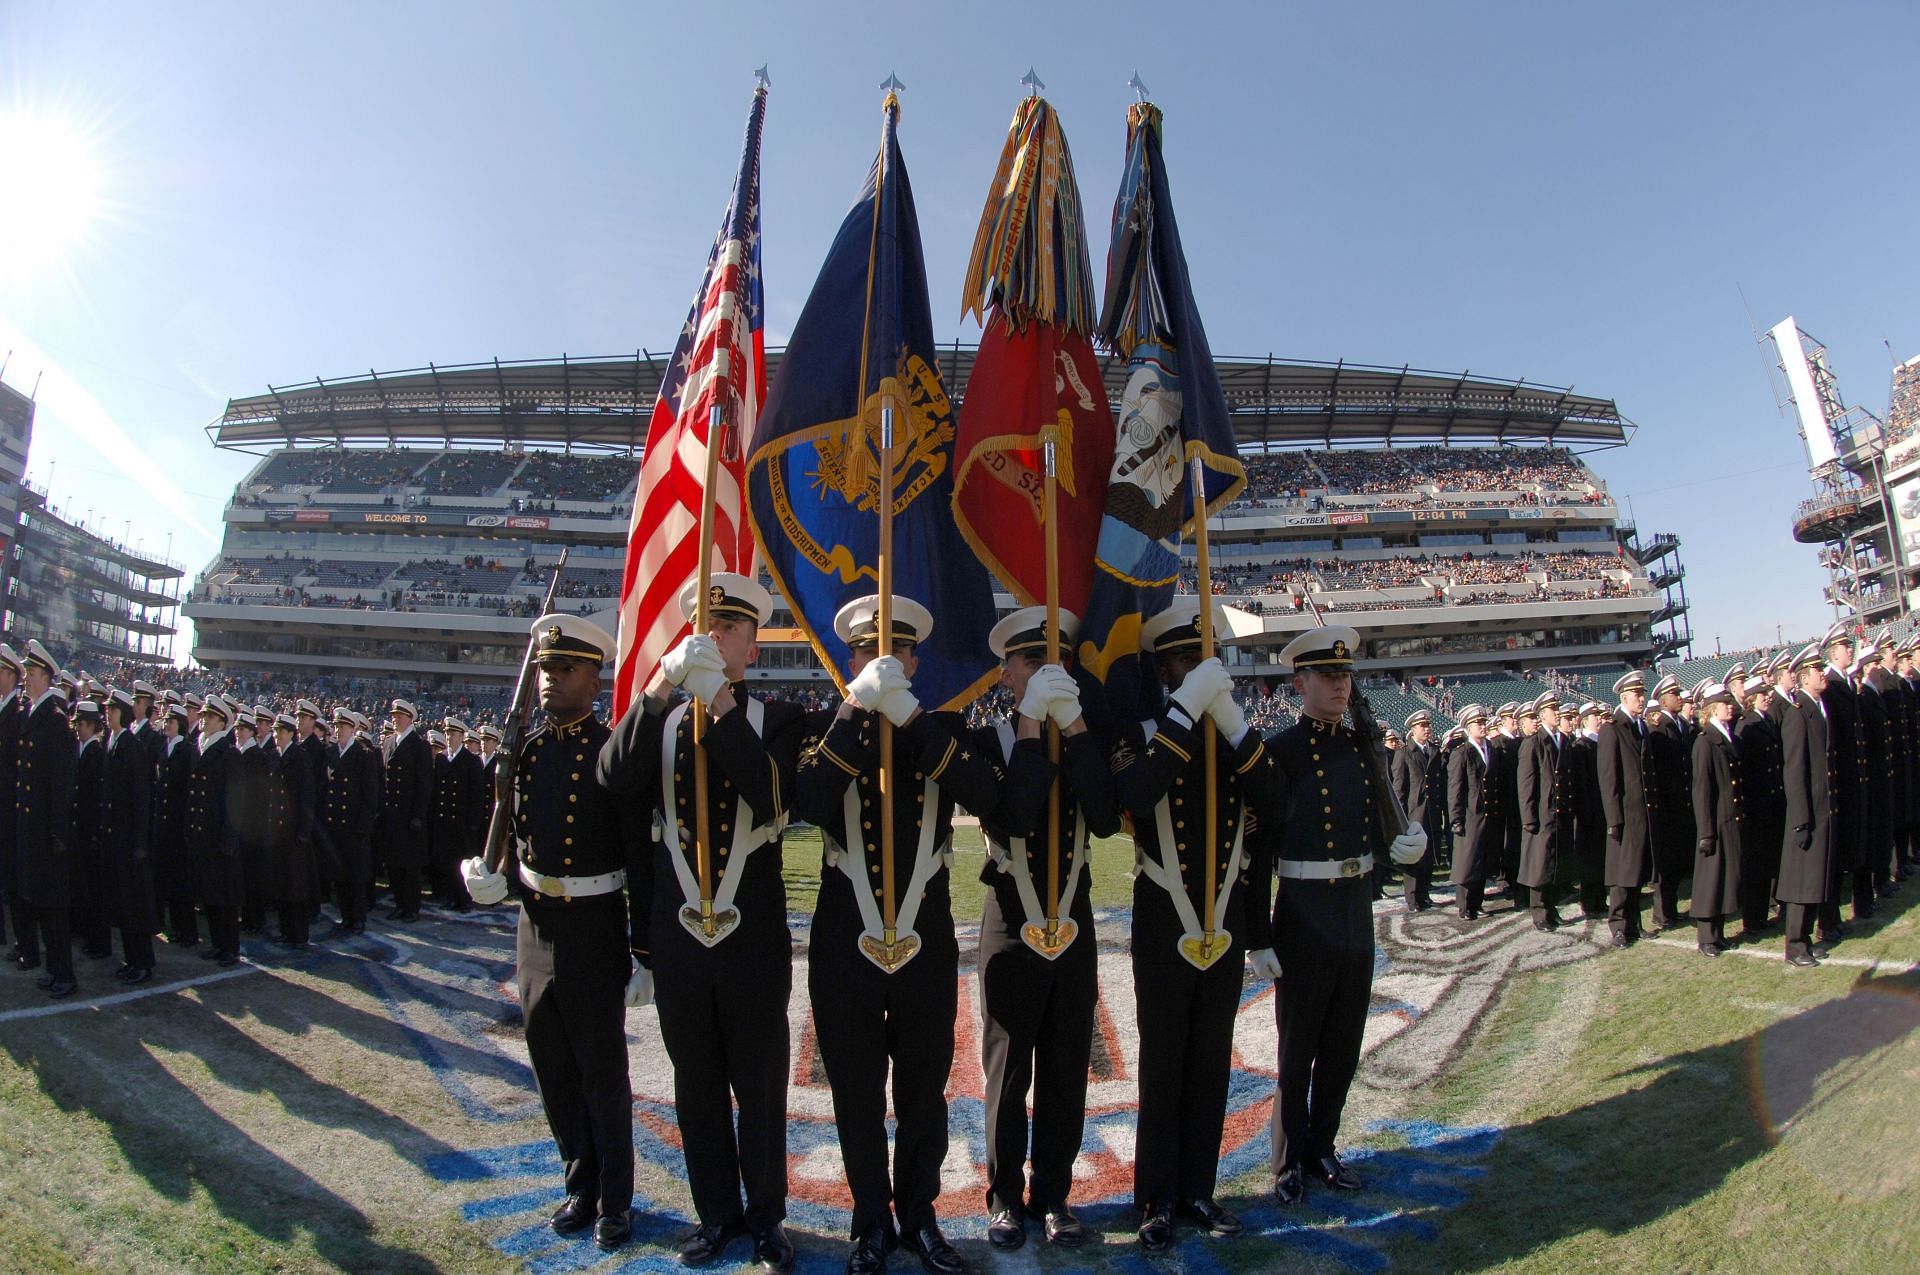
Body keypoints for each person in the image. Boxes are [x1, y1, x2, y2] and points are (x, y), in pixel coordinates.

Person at [789, 593, 1005, 1275]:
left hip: (925, 935)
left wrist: (910, 720)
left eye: (899, 649)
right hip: (844, 935)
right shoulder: (824, 725)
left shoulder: (942, 727)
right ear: (847, 658)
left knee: (922, 1087)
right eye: (867, 649)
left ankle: (919, 1215)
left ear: (915, 659)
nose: (885, 658)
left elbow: (990, 797)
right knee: (854, 1088)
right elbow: (810, 801)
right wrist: (857, 709)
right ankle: (868, 1222)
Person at [596, 573, 804, 1273]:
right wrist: (659, 692)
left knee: (761, 1078)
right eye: (705, 627)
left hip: (752, 935)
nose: (715, 638)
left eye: (730, 629)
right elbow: (612, 778)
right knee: (697, 1084)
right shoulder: (660, 717)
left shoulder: (776, 718)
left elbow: (775, 798)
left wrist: (718, 700)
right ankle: (716, 1213)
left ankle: (768, 1215)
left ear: (751, 645)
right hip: (679, 932)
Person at [461, 614, 648, 1252]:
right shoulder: (530, 750)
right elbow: (516, 836)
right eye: (544, 669)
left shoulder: (610, 751)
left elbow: (638, 858)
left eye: (564, 668)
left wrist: (642, 948)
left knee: (601, 1069)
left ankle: (617, 1201)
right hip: (535, 927)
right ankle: (581, 1184)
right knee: (552, 1066)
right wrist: (496, 876)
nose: (549, 680)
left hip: (594, 927)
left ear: (594, 677)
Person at [1113, 600, 1279, 1252]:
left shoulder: (1233, 733)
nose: (1198, 670)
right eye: (1186, 662)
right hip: (1164, 917)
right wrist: (1185, 713)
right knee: (1164, 1062)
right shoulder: (1145, 727)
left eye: (1203, 660)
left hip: (1224, 917)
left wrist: (1234, 727)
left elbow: (1277, 801)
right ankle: (1155, 1197)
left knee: (1212, 1061)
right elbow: (1136, 794)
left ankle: (1197, 1189)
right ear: (1166, 670)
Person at [973, 606, 1118, 1252]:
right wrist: (1033, 725)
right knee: (1009, 1068)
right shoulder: (992, 743)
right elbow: (1015, 816)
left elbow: (1107, 817)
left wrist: (1077, 726)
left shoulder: (1089, 733)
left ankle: (1053, 1193)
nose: (1044, 674)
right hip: (1012, 920)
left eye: (1054, 663)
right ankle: (1005, 1194)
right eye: (1032, 664)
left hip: (1073, 915)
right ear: (1007, 675)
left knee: (1066, 1063)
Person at [1267, 625, 1426, 1207]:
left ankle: (1323, 1146)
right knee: (1298, 1042)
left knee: (1342, 1039)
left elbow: (1376, 825)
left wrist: (1399, 847)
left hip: (1354, 908)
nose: (1340, 684)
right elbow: (1262, 849)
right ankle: (1287, 1159)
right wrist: (1259, 934)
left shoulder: (1363, 746)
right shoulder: (1281, 752)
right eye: (1328, 676)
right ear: (1299, 682)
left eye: (1345, 675)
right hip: (1304, 912)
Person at [15, 642, 77, 996]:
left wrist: (56, 832)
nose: (26, 680)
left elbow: (60, 783)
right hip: (32, 827)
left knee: (53, 907)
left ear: (47, 678)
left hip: (46, 832)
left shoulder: (54, 722)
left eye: (32, 674)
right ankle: (54, 969)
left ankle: (65, 973)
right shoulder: (34, 715)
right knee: (39, 902)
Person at [1778, 646, 1835, 967]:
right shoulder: (1798, 715)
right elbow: (1794, 769)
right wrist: (1800, 820)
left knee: (1815, 879)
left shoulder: (1818, 707)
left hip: (1822, 807)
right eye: (1817, 671)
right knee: (1802, 881)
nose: (1823, 674)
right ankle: (1795, 945)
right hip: (1808, 812)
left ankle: (1806, 941)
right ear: (1803, 678)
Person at [1596, 671, 1653, 948]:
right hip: (1624, 814)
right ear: (1624, 697)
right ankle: (1618, 925)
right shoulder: (1612, 728)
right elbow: (1609, 779)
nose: (1642, 699)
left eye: (1643, 694)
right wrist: (1614, 819)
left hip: (1640, 812)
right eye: (1637, 695)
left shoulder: (1639, 727)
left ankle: (1635, 923)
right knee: (1621, 875)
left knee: (1636, 872)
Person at [102, 689, 156, 983]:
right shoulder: (114, 742)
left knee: (134, 906)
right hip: (117, 839)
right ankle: (130, 959)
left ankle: (143, 963)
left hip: (130, 842)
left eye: (111, 709)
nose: (107, 714)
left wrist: (139, 843)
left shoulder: (131, 747)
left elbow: (140, 798)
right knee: (123, 904)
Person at [187, 695, 244, 968]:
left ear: (222, 722)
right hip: (203, 834)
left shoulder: (228, 753)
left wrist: (229, 838)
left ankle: (229, 948)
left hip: (219, 836)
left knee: (224, 898)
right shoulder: (202, 747)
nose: (204, 720)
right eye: (204, 716)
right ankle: (217, 944)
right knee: (210, 895)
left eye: (210, 717)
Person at [1689, 683, 1745, 957]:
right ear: (1712, 709)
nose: (1730, 705)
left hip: (1729, 820)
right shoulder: (1705, 742)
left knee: (1724, 880)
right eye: (1724, 702)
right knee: (1711, 880)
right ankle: (1707, 937)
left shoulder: (1725, 736)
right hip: (1716, 822)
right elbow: (1702, 790)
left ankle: (1718, 933)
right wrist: (1706, 831)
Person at [1515, 691, 1572, 931]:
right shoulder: (1533, 743)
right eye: (1553, 710)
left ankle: (1552, 907)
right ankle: (1539, 913)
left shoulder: (1562, 740)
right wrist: (1529, 819)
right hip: (1542, 813)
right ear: (1542, 714)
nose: (1557, 713)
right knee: (1540, 866)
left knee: (1555, 863)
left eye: (1558, 709)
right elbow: (1526, 784)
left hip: (1559, 812)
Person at [1735, 676, 1785, 934]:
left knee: (1768, 863)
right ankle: (1753, 919)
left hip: (1772, 802)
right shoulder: (1747, 726)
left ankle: (1762, 915)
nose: (1768, 697)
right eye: (1763, 694)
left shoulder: (1766, 721)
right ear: (1752, 699)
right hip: (1757, 806)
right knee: (1756, 867)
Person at [322, 708, 378, 937]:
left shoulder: (363, 754)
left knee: (355, 876)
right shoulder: (332, 752)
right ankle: (345, 917)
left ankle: (357, 919)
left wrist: (364, 825)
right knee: (340, 875)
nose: (339, 730)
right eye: (336, 726)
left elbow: (370, 793)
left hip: (353, 825)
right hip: (335, 824)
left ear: (353, 729)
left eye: (343, 726)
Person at [1645, 674, 1694, 932]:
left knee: (1675, 863)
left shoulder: (1676, 726)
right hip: (1667, 807)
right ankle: (1662, 912)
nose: (1679, 697)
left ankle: (1671, 910)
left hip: (1679, 804)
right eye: (1675, 694)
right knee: (1666, 865)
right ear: (1664, 700)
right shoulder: (1659, 730)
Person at [379, 698, 434, 922]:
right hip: (391, 816)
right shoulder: (389, 742)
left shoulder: (419, 746)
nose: (395, 719)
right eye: (393, 716)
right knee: (394, 864)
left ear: (410, 719)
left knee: (409, 866)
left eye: (399, 716)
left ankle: (411, 907)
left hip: (408, 816)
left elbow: (424, 784)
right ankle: (399, 904)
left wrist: (418, 816)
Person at [1447, 704, 1498, 920]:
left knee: (1482, 860)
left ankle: (1477, 903)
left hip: (1487, 813)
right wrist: (1456, 818)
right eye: (1478, 723)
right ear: (1468, 727)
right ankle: (1465, 906)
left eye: (1483, 722)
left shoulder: (1490, 749)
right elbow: (1456, 789)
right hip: (1469, 814)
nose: (1482, 726)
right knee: (1467, 862)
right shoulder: (1462, 753)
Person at [1390, 709, 1441, 912]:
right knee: (1413, 857)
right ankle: (1412, 898)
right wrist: (1400, 819)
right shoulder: (1404, 753)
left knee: (1428, 854)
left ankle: (1424, 894)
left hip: (1431, 812)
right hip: (1413, 813)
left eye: (1428, 726)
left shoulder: (1433, 750)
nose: (1427, 729)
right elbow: (1399, 789)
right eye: (1423, 726)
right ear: (1413, 729)